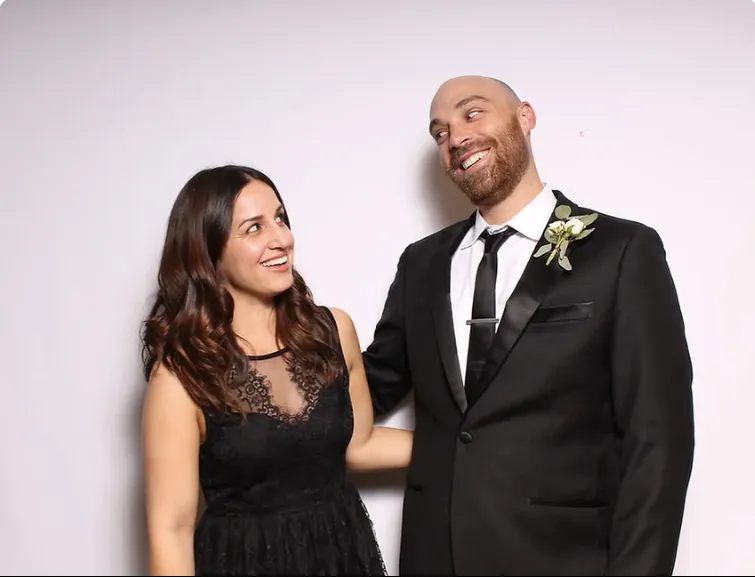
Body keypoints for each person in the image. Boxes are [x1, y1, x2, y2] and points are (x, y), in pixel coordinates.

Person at [362, 75, 695, 576]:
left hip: (564, 559)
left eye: (472, 114)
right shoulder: (420, 265)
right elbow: (368, 388)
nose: (455, 138)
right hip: (435, 557)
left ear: (525, 117)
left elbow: (659, 443)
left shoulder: (622, 251)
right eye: (440, 133)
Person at [140, 164, 410, 576]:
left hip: (342, 556)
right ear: (208, 251)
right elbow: (171, 530)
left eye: (280, 218)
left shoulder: (334, 330)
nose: (281, 238)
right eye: (254, 228)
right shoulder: (180, 377)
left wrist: (471, 447)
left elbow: (361, 446)